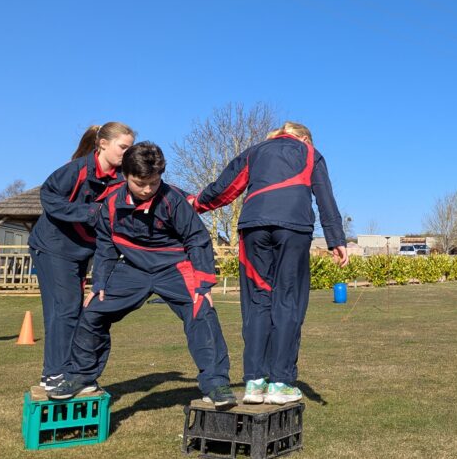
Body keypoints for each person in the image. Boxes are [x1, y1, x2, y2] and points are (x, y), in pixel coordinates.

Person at [50, 142, 236, 407]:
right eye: (140, 183)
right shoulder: (110, 204)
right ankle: (82, 377)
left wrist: (203, 285)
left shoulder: (173, 200)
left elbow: (197, 239)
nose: (148, 189)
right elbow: (106, 244)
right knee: (93, 312)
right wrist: (99, 282)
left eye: (154, 182)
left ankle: (216, 385)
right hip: (133, 269)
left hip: (173, 267)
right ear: (125, 176)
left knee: (202, 313)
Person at [191, 121, 347, 405]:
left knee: (257, 302)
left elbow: (225, 188)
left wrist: (196, 204)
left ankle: (254, 382)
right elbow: (325, 196)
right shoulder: (311, 154)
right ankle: (280, 382)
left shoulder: (255, 151)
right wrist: (336, 239)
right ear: (304, 139)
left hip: (254, 227)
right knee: (287, 301)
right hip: (293, 227)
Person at [28, 122, 134, 390]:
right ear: (103, 144)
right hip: (52, 246)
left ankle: (73, 373)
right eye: (123, 147)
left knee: (74, 309)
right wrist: (90, 213)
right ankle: (55, 374)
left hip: (80, 252)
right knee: (64, 309)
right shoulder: (75, 170)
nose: (127, 153)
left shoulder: (122, 179)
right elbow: (49, 195)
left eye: (129, 148)